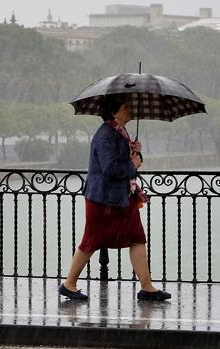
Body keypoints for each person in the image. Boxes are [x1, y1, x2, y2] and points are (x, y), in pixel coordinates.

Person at [59, 94, 171, 302]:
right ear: (114, 111)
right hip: (103, 199)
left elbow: (128, 165)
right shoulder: (106, 135)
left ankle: (147, 287)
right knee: (91, 240)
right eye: (126, 106)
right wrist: (133, 164)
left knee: (137, 237)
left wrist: (136, 152)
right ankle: (69, 284)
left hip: (120, 198)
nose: (131, 110)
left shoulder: (119, 133)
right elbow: (110, 168)